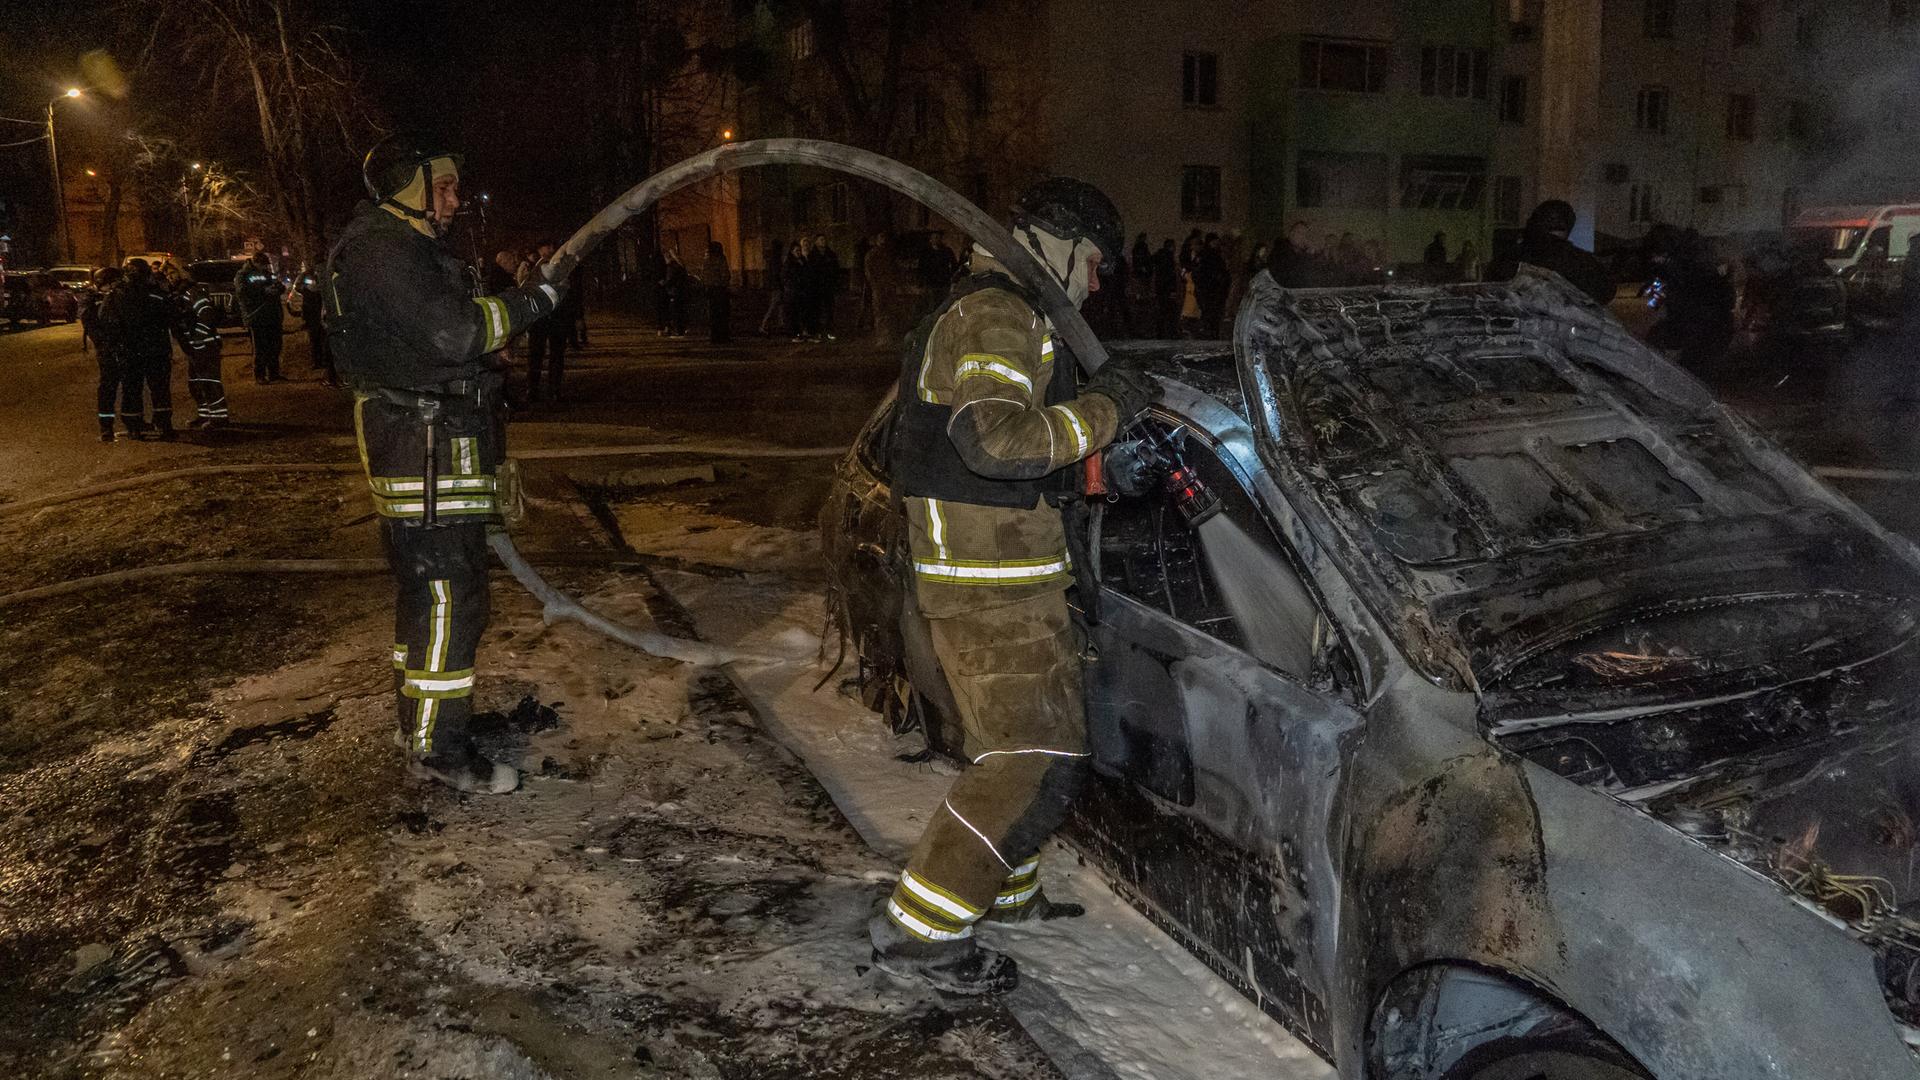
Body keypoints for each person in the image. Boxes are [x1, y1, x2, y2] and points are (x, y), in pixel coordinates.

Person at [872, 176, 1158, 995]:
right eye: (1094, 265)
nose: (1095, 285)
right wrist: (1103, 412)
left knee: (1039, 746)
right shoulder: (999, 313)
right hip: (988, 582)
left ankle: (1009, 891)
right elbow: (991, 443)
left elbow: (1015, 451)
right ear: (1059, 242)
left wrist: (1097, 454)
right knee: (1030, 758)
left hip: (1010, 574)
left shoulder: (1006, 312)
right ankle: (921, 933)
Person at [325, 134, 566, 793]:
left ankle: (427, 719)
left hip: (428, 440)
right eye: (444, 188)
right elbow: (455, 332)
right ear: (408, 189)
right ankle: (438, 747)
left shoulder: (391, 248)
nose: (456, 200)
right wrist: (535, 302)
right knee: (449, 595)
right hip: (424, 447)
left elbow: (433, 343)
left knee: (430, 592)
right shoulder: (385, 250)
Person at [1487, 199, 1615, 306]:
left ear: (1534, 223)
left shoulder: (1509, 257)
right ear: (1568, 228)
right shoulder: (1582, 262)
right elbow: (1605, 293)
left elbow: (1489, 291)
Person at [102, 259, 178, 440]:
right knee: (159, 388)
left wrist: (115, 346)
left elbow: (106, 321)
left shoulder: (116, 296)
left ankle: (134, 427)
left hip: (130, 350)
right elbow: (170, 316)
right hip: (155, 348)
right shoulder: (156, 294)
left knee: (131, 389)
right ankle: (164, 425)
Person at [168, 266, 228, 428]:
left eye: (171, 273)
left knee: (209, 381)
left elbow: (207, 313)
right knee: (196, 382)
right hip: (194, 346)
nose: (169, 277)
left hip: (205, 344)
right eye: (166, 274)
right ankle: (205, 414)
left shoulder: (192, 292)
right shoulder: (179, 294)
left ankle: (219, 417)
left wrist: (199, 337)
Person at [526, 241, 572, 398]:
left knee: (556, 355)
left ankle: (554, 390)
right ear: (540, 249)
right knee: (536, 355)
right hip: (540, 318)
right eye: (547, 246)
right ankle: (533, 389)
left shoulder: (560, 267)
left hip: (556, 317)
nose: (551, 249)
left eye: (552, 247)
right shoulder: (532, 268)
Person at [234, 250, 286, 384]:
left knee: (275, 346)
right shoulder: (243, 275)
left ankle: (274, 373)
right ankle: (260, 375)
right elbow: (242, 292)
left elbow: (280, 287)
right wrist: (263, 291)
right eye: (263, 265)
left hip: (272, 315)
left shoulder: (268, 274)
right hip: (256, 316)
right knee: (260, 348)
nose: (265, 267)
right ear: (256, 263)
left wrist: (277, 289)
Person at [88, 266, 126, 441]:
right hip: (109, 350)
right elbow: (92, 327)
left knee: (127, 386)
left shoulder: (117, 297)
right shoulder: (94, 300)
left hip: (119, 347)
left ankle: (133, 422)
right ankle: (106, 427)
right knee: (108, 388)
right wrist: (106, 344)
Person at [295, 265, 339, 388]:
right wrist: (308, 290)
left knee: (325, 340)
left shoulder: (327, 274)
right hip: (312, 310)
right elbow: (299, 287)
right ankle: (317, 362)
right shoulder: (307, 275)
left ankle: (329, 371)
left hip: (322, 310)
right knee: (315, 338)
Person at [1195, 232, 1230, 338]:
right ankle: (1209, 334)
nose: (1217, 244)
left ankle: (1211, 334)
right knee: (1211, 316)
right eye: (1215, 242)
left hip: (1213, 291)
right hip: (1210, 291)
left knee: (1212, 316)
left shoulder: (1211, 255)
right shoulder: (1209, 255)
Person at [810, 234, 840, 340]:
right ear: (816, 242)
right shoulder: (812, 255)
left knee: (829, 310)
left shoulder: (830, 254)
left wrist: (835, 282)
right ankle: (818, 331)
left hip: (828, 286)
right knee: (817, 310)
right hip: (817, 287)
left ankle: (829, 331)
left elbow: (836, 269)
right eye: (821, 240)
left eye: (824, 239)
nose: (823, 241)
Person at [702, 240, 731, 344]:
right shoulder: (721, 259)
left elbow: (704, 276)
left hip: (710, 289)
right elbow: (725, 274)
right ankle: (723, 336)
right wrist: (725, 282)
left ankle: (714, 337)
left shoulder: (706, 260)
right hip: (720, 289)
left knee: (713, 314)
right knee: (723, 314)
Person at [1151, 238, 1180, 337]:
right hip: (1167, 288)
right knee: (1170, 310)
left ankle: (1160, 332)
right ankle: (1171, 332)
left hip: (1160, 287)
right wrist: (1173, 289)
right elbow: (1170, 276)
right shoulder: (1169, 259)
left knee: (1161, 310)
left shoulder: (1158, 257)